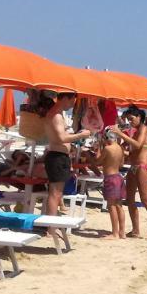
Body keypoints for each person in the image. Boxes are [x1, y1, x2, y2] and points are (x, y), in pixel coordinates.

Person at [42, 93, 91, 243]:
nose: (72, 105)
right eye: (72, 101)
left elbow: (61, 136)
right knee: (55, 194)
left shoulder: (57, 114)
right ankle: (50, 229)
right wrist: (81, 135)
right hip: (56, 156)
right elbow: (61, 138)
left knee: (56, 193)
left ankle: (51, 227)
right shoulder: (56, 115)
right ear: (65, 98)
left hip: (58, 155)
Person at [110, 107, 147, 240]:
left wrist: (121, 134)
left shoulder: (143, 128)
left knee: (145, 199)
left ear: (139, 117)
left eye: (131, 119)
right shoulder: (135, 131)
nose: (130, 121)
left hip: (142, 166)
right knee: (129, 199)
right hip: (133, 166)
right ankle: (135, 230)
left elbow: (138, 145)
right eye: (128, 119)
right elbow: (133, 152)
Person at [98, 130, 126, 240]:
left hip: (110, 178)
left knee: (111, 205)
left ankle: (115, 233)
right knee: (119, 205)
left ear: (107, 138)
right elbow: (122, 163)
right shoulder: (120, 148)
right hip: (118, 176)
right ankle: (122, 232)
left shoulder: (107, 149)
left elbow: (97, 161)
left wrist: (98, 149)